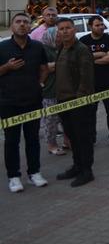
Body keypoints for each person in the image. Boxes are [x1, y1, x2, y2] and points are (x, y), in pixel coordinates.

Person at [0, 12, 49, 192]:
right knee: (12, 141)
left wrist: (41, 82)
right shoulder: (2, 47)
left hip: (32, 101)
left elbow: (44, 68)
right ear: (12, 26)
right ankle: (14, 176)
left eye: (26, 22)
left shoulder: (37, 47)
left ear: (30, 26)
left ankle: (34, 173)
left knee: (33, 139)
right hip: (8, 102)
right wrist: (7, 67)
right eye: (18, 22)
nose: (22, 25)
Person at [55, 17, 96, 187]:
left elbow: (86, 78)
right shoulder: (61, 49)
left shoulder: (81, 50)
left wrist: (80, 101)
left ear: (75, 30)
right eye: (61, 29)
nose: (65, 31)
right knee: (72, 136)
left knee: (83, 137)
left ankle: (87, 171)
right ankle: (77, 166)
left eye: (68, 28)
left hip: (77, 103)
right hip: (63, 101)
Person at [79, 15, 109, 147]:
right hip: (91, 83)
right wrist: (101, 54)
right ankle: (91, 137)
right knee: (90, 113)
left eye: (102, 24)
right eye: (97, 25)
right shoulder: (84, 40)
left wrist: (92, 61)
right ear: (91, 27)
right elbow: (82, 60)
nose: (101, 27)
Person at [39, 27, 65, 156]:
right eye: (58, 36)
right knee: (51, 121)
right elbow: (41, 69)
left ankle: (67, 142)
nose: (60, 38)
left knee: (65, 119)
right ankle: (52, 145)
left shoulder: (60, 48)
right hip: (49, 91)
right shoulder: (43, 50)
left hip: (63, 90)